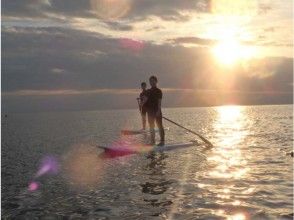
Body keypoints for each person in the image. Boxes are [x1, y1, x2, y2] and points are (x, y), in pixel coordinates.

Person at [145, 75, 165, 146]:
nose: (152, 82)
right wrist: (142, 103)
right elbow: (145, 100)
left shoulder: (159, 91)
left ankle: (162, 141)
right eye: (150, 81)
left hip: (157, 111)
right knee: (151, 127)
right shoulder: (148, 91)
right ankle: (152, 141)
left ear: (156, 82)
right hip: (150, 112)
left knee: (160, 126)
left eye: (153, 81)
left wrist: (158, 111)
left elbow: (159, 102)